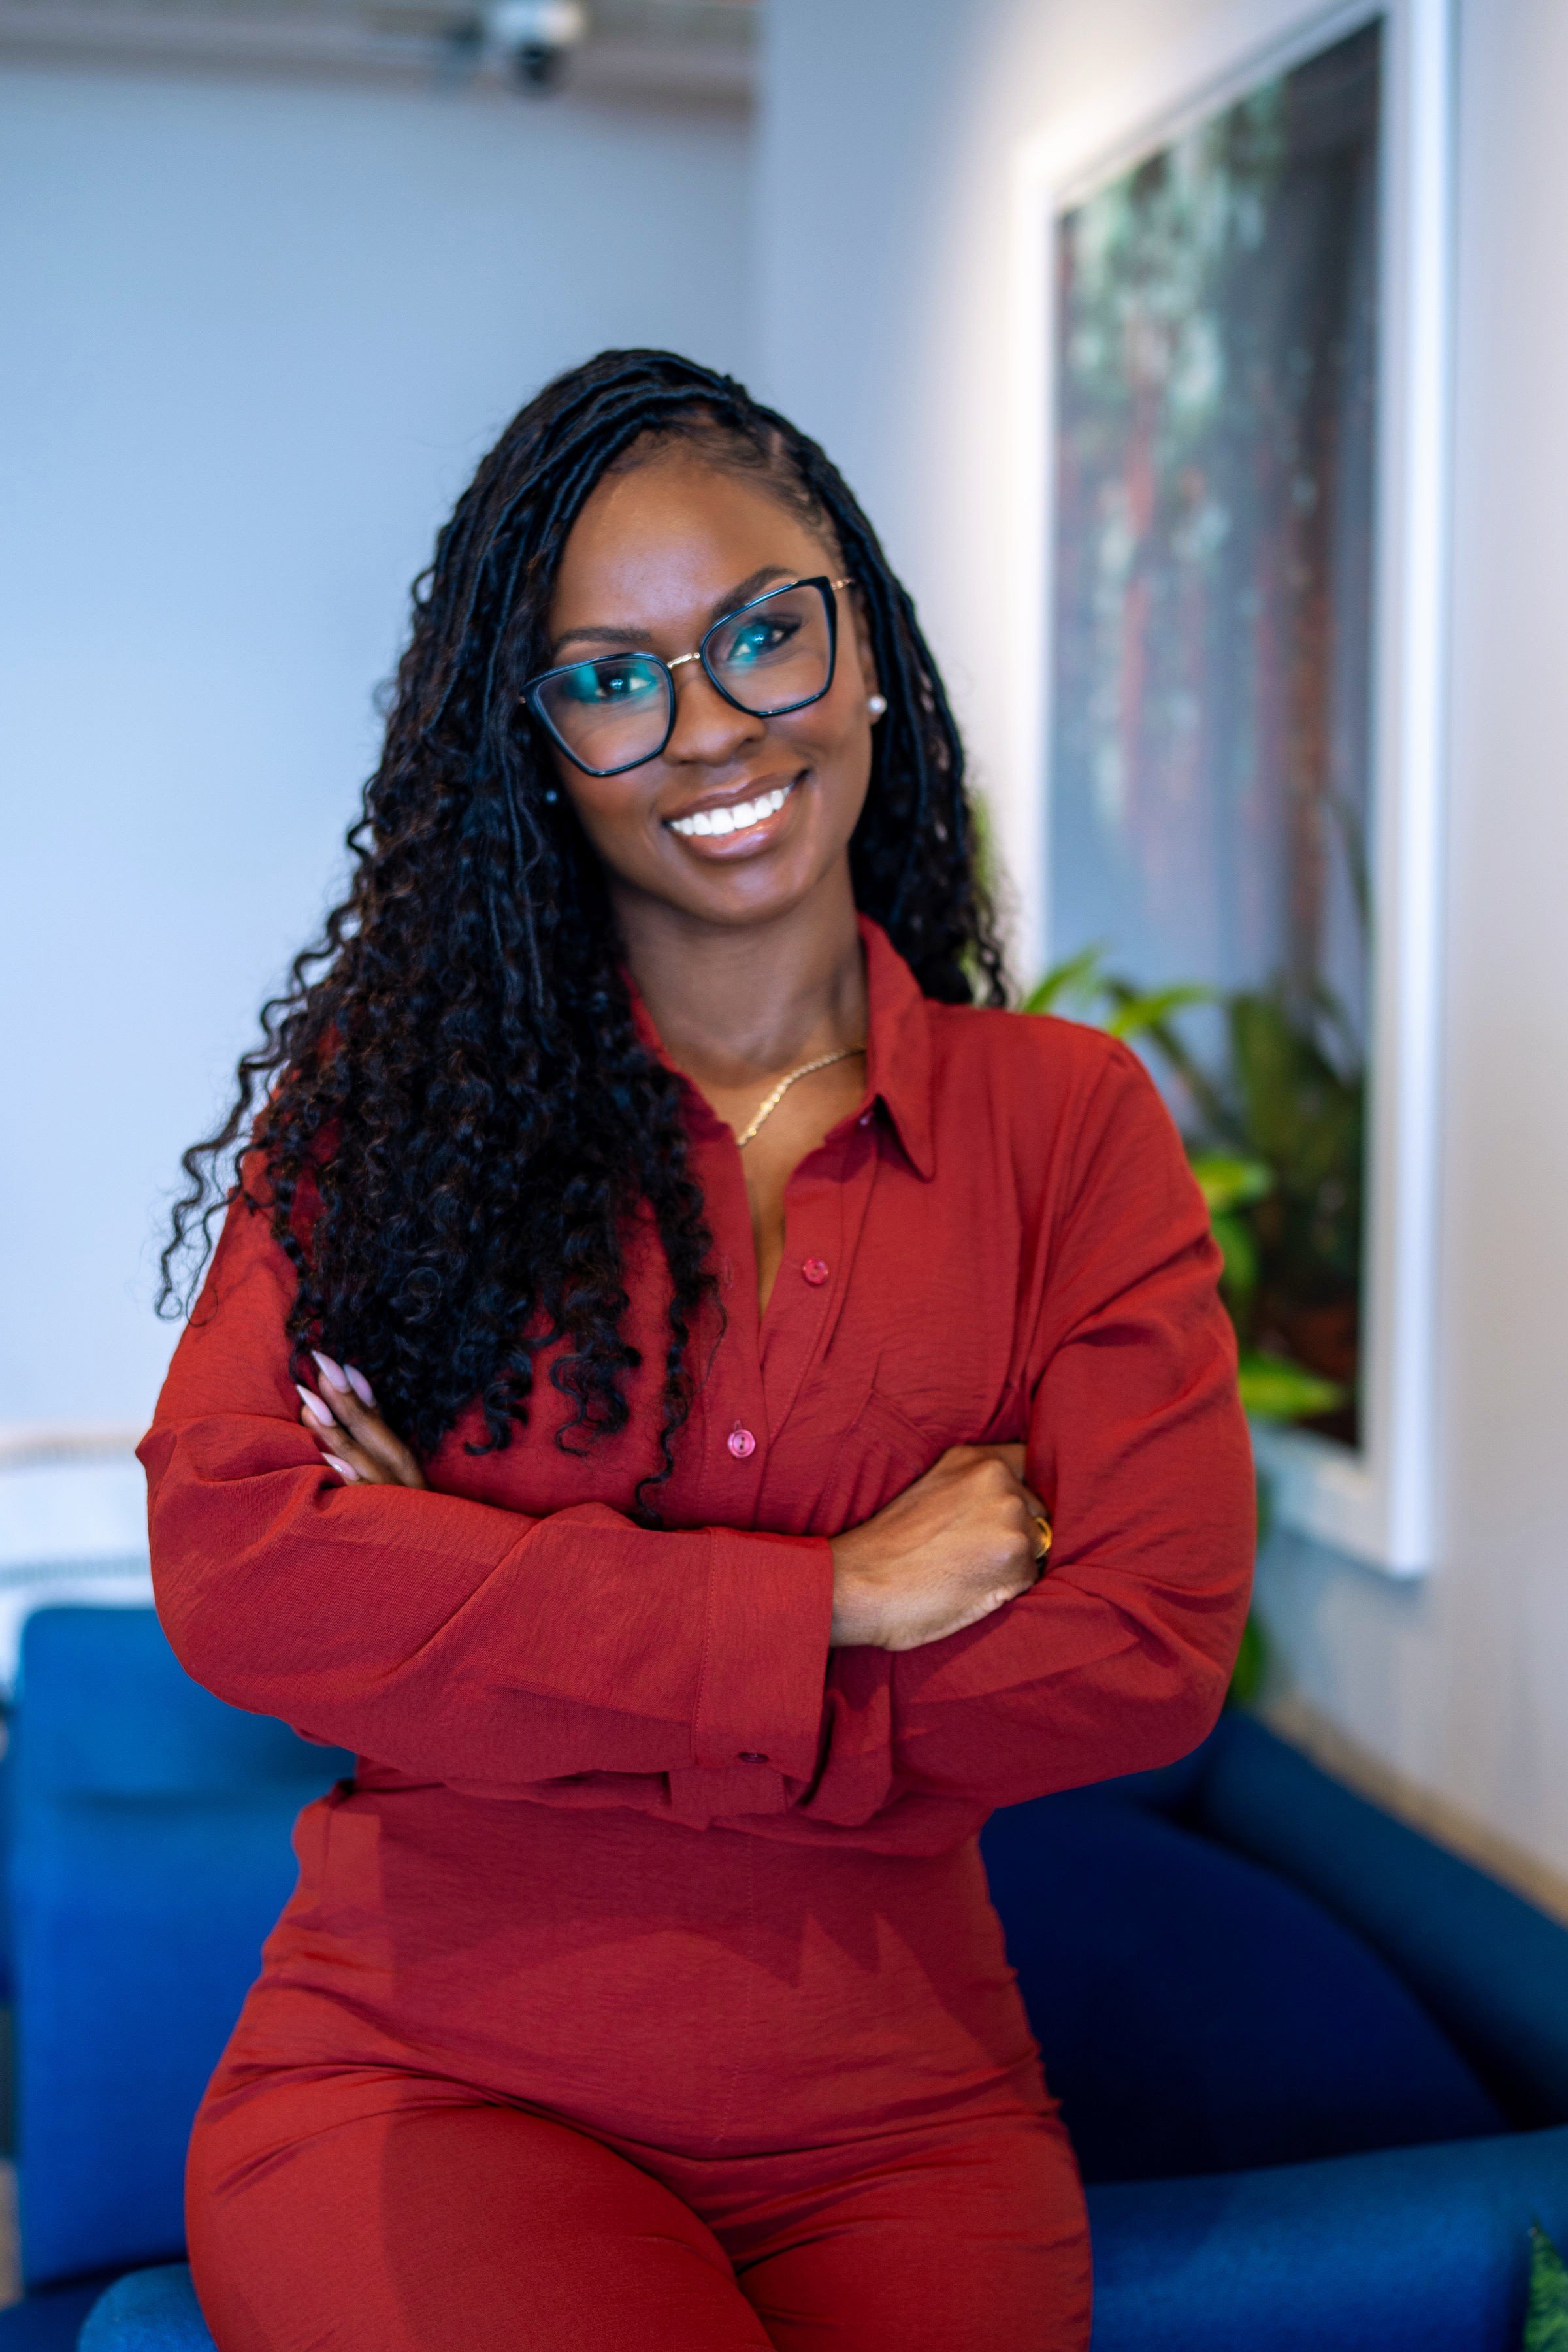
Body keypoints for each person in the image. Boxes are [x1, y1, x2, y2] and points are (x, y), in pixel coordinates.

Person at [142, 348, 1254, 2352]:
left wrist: (492, 1629)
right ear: (538, 745)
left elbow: (1149, 1650)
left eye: (762, 635)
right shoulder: (389, 1111)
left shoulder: (1066, 1126)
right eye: (611, 675)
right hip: (433, 2082)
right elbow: (241, 1575)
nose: (713, 726)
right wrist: (842, 1598)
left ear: (867, 651)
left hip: (910, 2124)